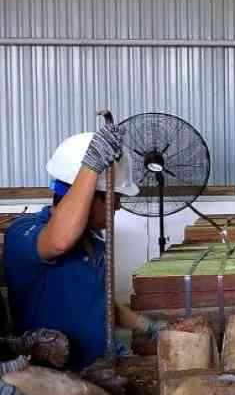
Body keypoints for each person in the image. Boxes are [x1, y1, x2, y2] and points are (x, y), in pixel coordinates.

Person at [2, 129, 165, 371]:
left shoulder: (96, 244)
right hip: (54, 384)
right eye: (113, 199)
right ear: (85, 197)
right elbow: (58, 242)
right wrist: (91, 166)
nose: (117, 208)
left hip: (102, 368)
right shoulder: (23, 233)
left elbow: (102, 304)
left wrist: (148, 327)